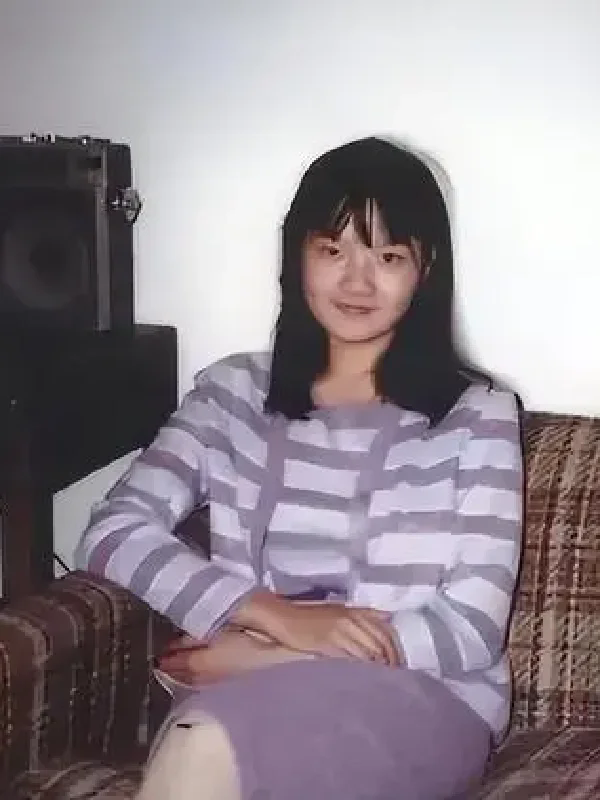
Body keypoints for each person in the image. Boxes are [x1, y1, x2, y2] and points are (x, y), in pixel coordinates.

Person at [75, 136, 523, 800]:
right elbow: (111, 532)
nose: (357, 282)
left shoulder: (478, 416)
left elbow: (473, 624)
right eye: (333, 250)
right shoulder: (232, 394)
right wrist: (272, 614)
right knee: (203, 744)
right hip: (239, 697)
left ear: (425, 269)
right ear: (298, 256)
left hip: (421, 703)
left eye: (388, 257)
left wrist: (272, 656)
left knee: (203, 752)